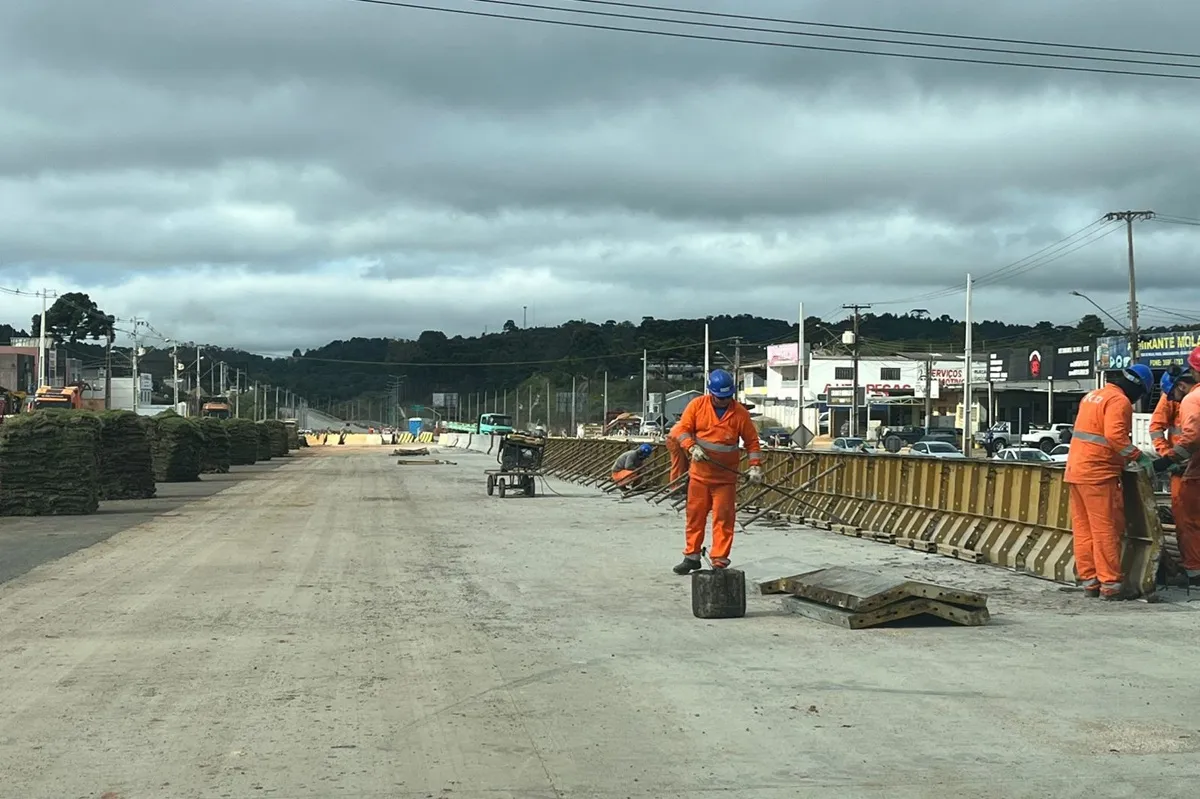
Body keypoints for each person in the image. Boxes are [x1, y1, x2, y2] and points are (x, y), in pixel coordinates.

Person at [1065, 363, 1154, 600]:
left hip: (1077, 469)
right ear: (1138, 388)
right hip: (1098, 472)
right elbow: (1115, 436)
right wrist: (1139, 456)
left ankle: (1090, 581)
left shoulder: (1094, 395)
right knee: (1105, 528)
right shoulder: (1118, 401)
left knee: (1084, 529)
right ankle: (1110, 584)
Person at [671, 368, 764, 573]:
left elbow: (752, 442)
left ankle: (720, 558)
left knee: (723, 518)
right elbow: (680, 430)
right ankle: (692, 556)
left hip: (725, 478)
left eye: (727, 397)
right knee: (695, 516)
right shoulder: (697, 406)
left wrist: (755, 467)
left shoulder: (740, 413)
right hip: (700, 475)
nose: (724, 401)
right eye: (720, 397)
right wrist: (691, 447)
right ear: (711, 393)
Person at [1153, 346, 1200, 585]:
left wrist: (1167, 460)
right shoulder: (1173, 398)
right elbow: (1156, 428)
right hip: (1185, 468)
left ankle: (1194, 571)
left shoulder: (1192, 398)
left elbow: (1191, 439)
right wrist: (1165, 451)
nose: (1172, 400)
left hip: (1188, 472)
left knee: (1188, 523)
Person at [664, 420, 690, 494]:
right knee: (678, 465)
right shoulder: (693, 424)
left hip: (676, 440)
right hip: (674, 441)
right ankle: (674, 487)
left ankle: (680, 485)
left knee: (684, 465)